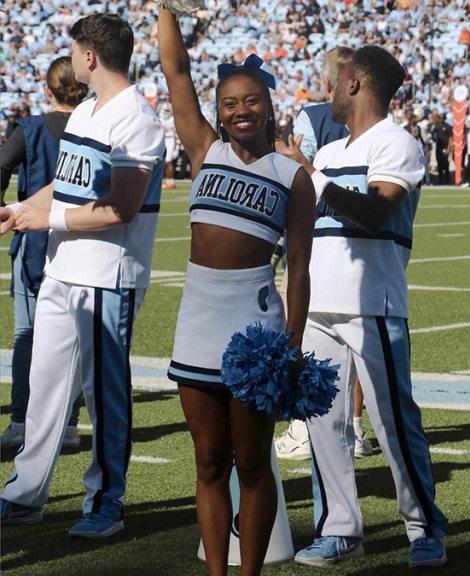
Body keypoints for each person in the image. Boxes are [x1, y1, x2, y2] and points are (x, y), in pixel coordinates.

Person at [275, 45, 448, 568]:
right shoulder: (325, 154)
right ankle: (340, 528)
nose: (328, 89)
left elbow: (376, 211)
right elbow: (304, 228)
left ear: (355, 83)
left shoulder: (398, 143)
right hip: (319, 305)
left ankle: (423, 528)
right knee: (324, 425)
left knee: (394, 421)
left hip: (373, 302)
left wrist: (314, 178)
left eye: (337, 79)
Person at [157, 7, 316, 576]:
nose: (240, 110)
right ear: (218, 113)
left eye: (250, 100)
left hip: (256, 330)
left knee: (251, 462)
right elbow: (176, 71)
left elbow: (298, 266)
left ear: (270, 105)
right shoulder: (205, 152)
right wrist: (167, 10)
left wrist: (292, 341)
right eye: (229, 103)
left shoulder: (293, 176)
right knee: (206, 461)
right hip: (197, 322)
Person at [0, 13, 165, 538]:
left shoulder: (136, 117)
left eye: (74, 51)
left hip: (106, 274)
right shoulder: (87, 109)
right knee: (46, 385)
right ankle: (25, 494)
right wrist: (21, 208)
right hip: (62, 265)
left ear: (89, 56)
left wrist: (43, 218)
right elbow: (65, 185)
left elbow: (122, 208)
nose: (72, 59)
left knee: (105, 394)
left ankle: (107, 501)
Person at [274, 45, 380, 462]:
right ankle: (354, 426)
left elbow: (301, 175)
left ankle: (304, 427)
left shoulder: (313, 116)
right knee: (354, 341)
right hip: (358, 242)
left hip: (317, 236)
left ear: (330, 82)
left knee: (306, 329)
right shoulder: (371, 128)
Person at [0, 56, 88, 453]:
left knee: (28, 335)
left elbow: (1, 166)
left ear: (48, 88)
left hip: (35, 241)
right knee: (76, 338)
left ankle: (21, 421)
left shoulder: (32, 128)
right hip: (80, 239)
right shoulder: (94, 123)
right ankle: (69, 422)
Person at [428, 112, 452, 185]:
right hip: (438, 147)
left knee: (446, 164)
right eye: (440, 118)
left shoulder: (448, 126)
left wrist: (448, 148)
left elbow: (451, 138)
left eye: (442, 118)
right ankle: (440, 180)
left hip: (445, 147)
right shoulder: (436, 126)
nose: (441, 119)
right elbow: (432, 134)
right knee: (439, 164)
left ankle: (447, 181)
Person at [159, 102, 179, 189]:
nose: (166, 112)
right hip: (162, 139)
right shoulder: (159, 118)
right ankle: (162, 180)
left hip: (170, 139)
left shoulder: (173, 119)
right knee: (160, 160)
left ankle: (170, 180)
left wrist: (177, 147)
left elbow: (177, 133)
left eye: (168, 110)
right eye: (165, 110)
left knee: (168, 161)